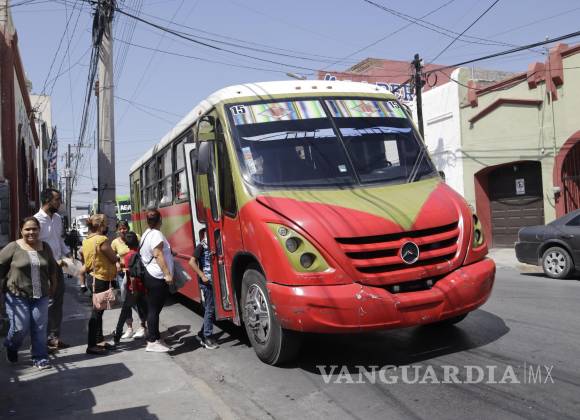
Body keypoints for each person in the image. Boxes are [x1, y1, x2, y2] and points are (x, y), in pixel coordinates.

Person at [0, 217, 58, 369]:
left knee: (39, 328)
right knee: (20, 327)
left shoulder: (45, 247)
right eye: (27, 229)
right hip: (17, 295)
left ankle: (40, 357)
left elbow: (52, 269)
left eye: (34, 229)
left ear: (39, 230)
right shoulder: (13, 247)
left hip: (41, 295)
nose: (31, 232)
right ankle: (11, 346)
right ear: (21, 231)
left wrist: (54, 286)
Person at [34, 188, 71, 351]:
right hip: (42, 268)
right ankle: (40, 341)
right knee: (45, 304)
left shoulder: (57, 218)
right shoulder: (36, 220)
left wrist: (68, 255)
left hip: (58, 266)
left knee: (57, 303)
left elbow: (59, 240)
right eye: (57, 199)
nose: (60, 202)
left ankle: (54, 338)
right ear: (47, 200)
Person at [82, 214, 119, 355]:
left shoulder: (87, 240)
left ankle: (99, 340)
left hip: (92, 277)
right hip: (100, 279)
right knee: (97, 312)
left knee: (99, 310)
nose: (107, 226)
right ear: (100, 225)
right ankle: (92, 345)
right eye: (106, 223)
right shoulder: (101, 240)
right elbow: (113, 257)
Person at [140, 209, 174, 353]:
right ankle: (152, 341)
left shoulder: (146, 233)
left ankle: (156, 337)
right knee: (154, 309)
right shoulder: (156, 234)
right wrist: (167, 274)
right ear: (160, 220)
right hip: (157, 276)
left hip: (150, 274)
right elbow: (157, 254)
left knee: (153, 309)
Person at [111, 220, 146, 339]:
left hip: (136, 274)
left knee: (138, 300)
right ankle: (129, 328)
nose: (122, 230)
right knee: (126, 301)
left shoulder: (136, 237)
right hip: (123, 275)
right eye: (120, 229)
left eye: (124, 228)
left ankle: (143, 326)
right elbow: (112, 257)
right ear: (117, 230)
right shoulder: (115, 242)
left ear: (128, 228)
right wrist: (117, 264)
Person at [189, 228, 218, 350]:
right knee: (210, 309)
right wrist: (202, 275)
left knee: (210, 309)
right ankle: (207, 337)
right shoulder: (202, 245)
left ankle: (202, 334)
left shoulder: (212, 245)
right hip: (207, 282)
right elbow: (191, 262)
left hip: (212, 281)